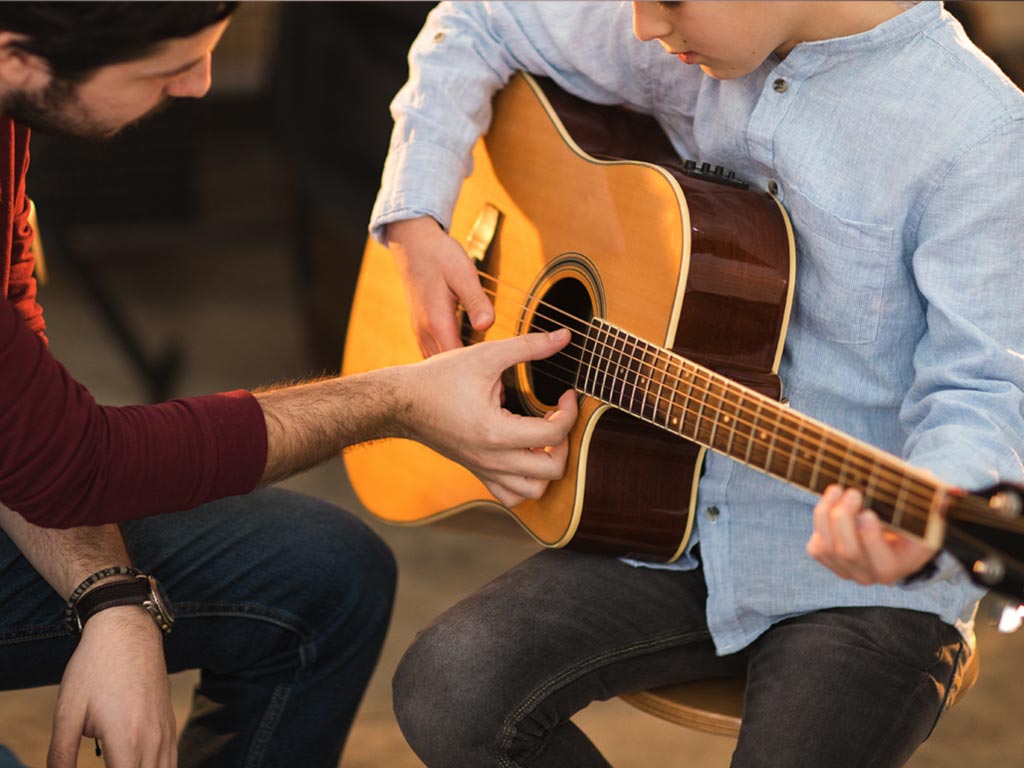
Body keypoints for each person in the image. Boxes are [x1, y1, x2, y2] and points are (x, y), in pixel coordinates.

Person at [369, 1, 1024, 765]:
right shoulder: (692, 42)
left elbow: (986, 391)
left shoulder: (980, 134)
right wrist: (417, 218)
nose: (642, 26)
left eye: (667, 1)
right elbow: (480, 15)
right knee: (450, 686)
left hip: (864, 588)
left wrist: (920, 517)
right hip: (674, 526)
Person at [0, 3, 576, 767]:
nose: (202, 86)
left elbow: (24, 425)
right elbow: (85, 464)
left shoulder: (13, 100)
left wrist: (111, 595)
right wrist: (395, 399)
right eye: (168, 69)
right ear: (20, 61)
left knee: (324, 575)